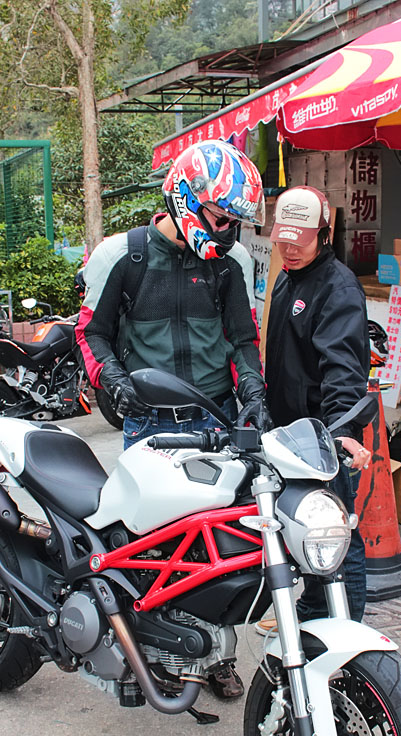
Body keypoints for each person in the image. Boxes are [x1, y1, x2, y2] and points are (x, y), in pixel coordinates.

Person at [76, 139, 272, 698]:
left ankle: (216, 657)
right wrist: (112, 382)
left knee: (224, 545)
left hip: (217, 419)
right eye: (221, 216)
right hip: (150, 423)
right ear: (185, 197)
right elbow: (92, 332)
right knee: (145, 544)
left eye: (237, 220)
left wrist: (253, 392)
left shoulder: (229, 264)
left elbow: (242, 340)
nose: (230, 231)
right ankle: (144, 655)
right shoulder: (122, 255)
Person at [257, 185, 370, 633]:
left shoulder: (338, 287)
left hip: (325, 439)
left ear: (323, 233)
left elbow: (343, 368)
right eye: (282, 240)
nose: (289, 249)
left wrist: (340, 432)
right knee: (300, 532)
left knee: (338, 537)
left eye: (298, 241)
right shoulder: (288, 276)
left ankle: (346, 634)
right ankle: (310, 614)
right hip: (290, 436)